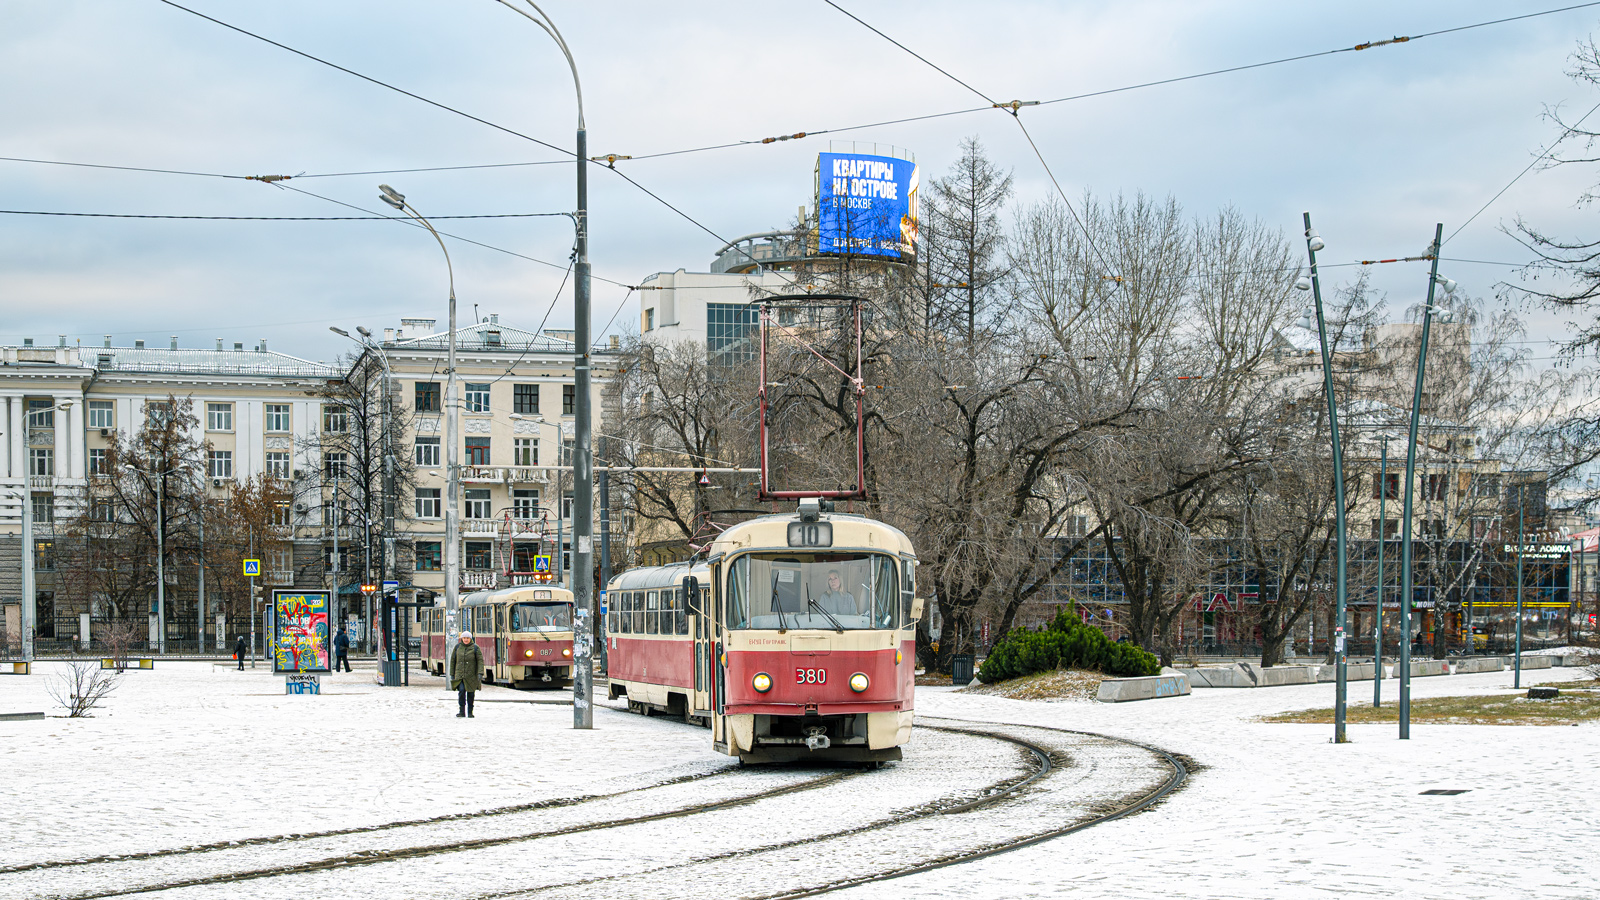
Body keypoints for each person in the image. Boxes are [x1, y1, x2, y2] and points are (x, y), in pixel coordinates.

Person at [449, 631, 484, 718]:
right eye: (464, 638)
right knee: (461, 691)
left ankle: (470, 712)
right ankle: (461, 711)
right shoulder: (457, 647)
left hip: (471, 676)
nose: (466, 640)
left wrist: (480, 673)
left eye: (467, 638)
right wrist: (452, 674)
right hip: (460, 676)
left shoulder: (475, 648)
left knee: (471, 694)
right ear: (462, 639)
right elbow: (453, 661)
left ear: (470, 639)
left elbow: (480, 661)